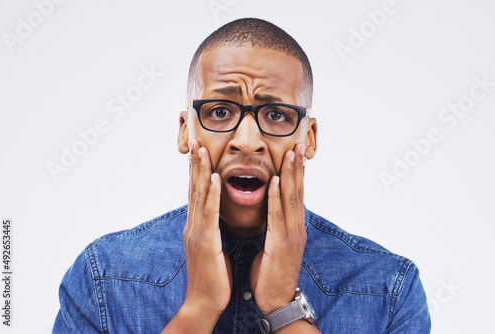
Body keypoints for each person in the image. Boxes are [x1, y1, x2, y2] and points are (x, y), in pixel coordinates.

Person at [52, 18, 431, 333]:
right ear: (186, 130)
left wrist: (284, 308)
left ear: (309, 138)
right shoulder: (102, 278)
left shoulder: (389, 290)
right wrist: (199, 307)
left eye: (277, 115)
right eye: (220, 111)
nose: (247, 141)